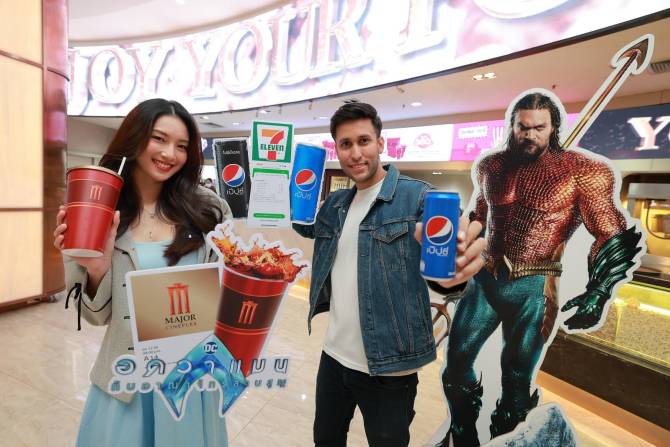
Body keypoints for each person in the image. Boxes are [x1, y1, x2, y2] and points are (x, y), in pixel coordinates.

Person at [439, 91, 641, 446]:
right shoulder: (491, 166)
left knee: (517, 379)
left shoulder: (583, 172)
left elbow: (611, 232)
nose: (529, 134)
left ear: (553, 128)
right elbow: (480, 216)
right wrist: (461, 248)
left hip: (535, 287)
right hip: (486, 280)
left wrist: (597, 292)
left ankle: (507, 440)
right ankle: (462, 435)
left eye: (538, 128)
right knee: (455, 365)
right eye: (523, 127)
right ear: (512, 126)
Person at [292, 100, 486, 447]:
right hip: (334, 356)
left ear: (381, 143)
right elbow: (305, 226)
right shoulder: (336, 205)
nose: (355, 153)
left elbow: (444, 263)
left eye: (364, 141)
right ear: (337, 150)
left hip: (390, 367)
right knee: (325, 440)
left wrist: (451, 275)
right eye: (346, 144)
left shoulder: (418, 197)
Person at [54, 98, 233, 447]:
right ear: (135, 138)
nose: (169, 154)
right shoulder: (96, 209)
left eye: (181, 146)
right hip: (128, 382)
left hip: (190, 380)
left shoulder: (209, 210)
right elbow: (96, 317)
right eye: (159, 139)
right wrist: (97, 267)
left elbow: (225, 291)